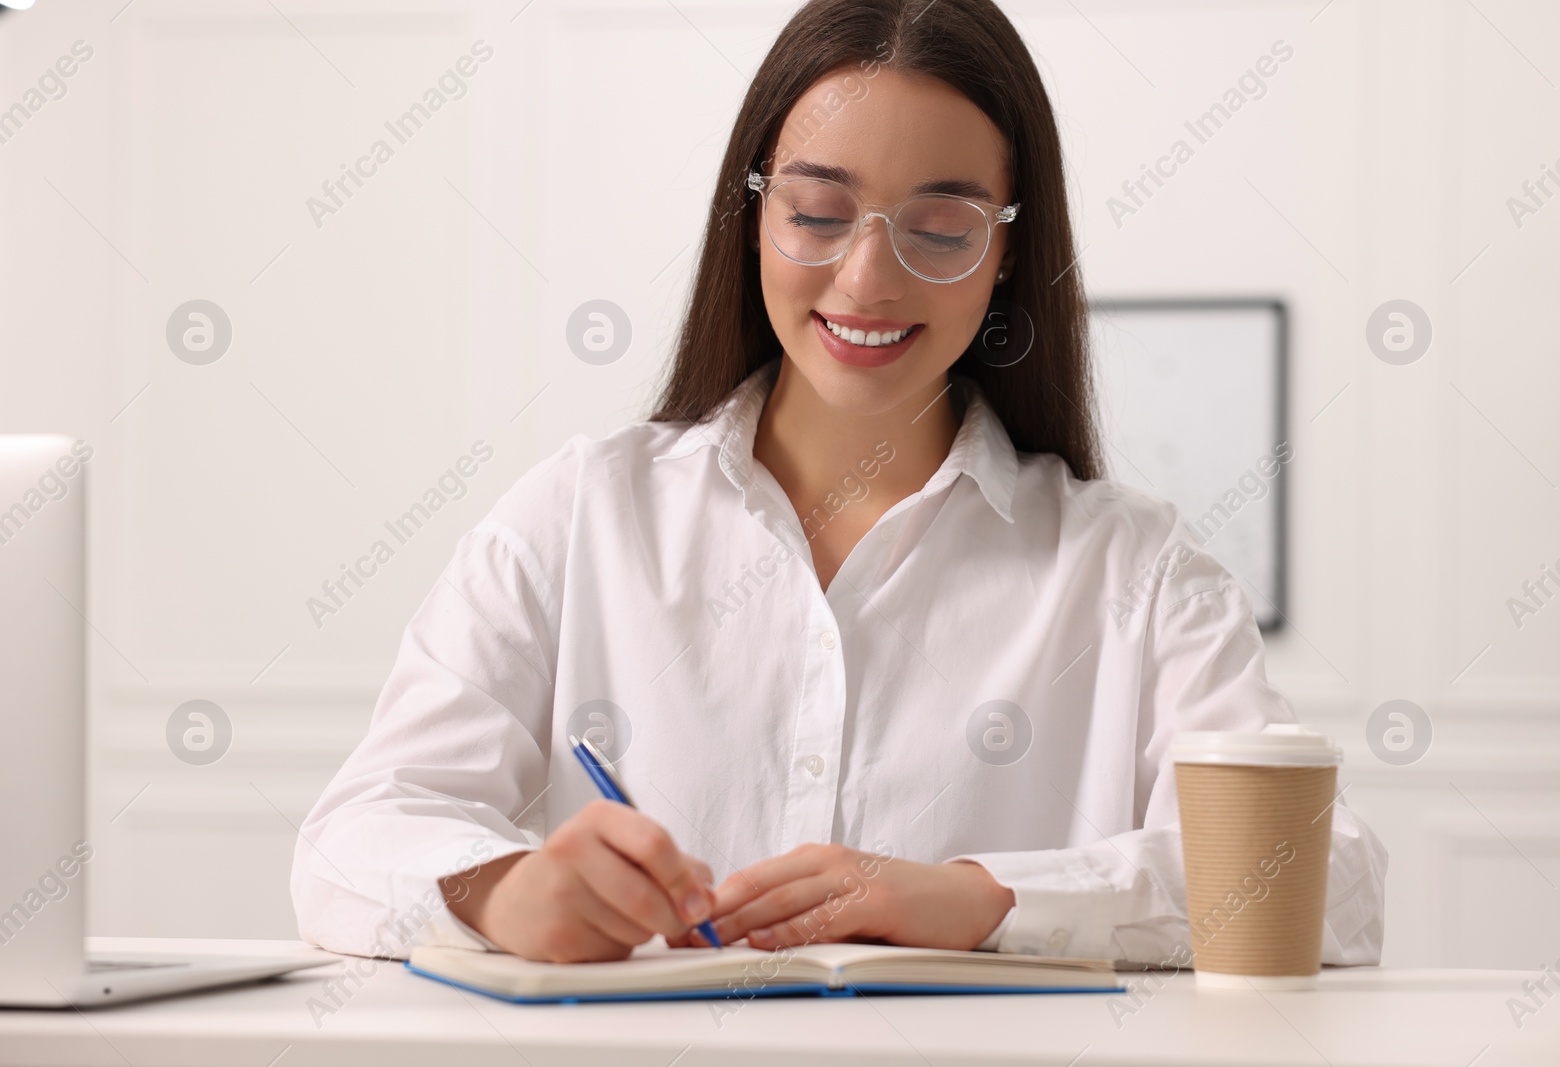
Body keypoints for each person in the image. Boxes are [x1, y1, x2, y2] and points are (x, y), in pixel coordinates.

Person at [291, 0, 1386, 967]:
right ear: (754, 213)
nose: (868, 277)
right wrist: (500, 891)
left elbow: (1328, 878)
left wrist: (983, 896)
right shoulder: (580, 515)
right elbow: (350, 841)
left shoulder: (1131, 571)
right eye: (817, 213)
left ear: (1008, 248)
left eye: (942, 227)